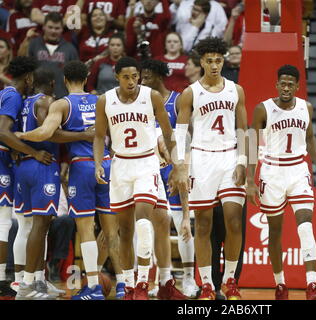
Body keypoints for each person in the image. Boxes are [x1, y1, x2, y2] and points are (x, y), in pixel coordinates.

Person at [16, 61, 124, 300]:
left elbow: (45, 133)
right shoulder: (102, 101)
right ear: (86, 78)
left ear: (65, 80)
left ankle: (94, 287)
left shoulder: (62, 104)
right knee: (111, 231)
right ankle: (124, 284)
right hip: (106, 163)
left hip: (82, 166)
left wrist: (21, 135)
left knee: (85, 229)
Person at [93, 56, 189, 300]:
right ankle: (128, 285)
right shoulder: (105, 100)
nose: (131, 81)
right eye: (126, 76)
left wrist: (177, 165)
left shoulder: (151, 96)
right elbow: (98, 136)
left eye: (135, 76)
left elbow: (168, 133)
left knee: (147, 221)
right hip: (120, 166)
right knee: (125, 231)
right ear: (117, 77)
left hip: (147, 163)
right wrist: (97, 163)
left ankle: (144, 284)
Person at [247, 64, 316, 300]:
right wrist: (250, 180)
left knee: (305, 226)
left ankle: (312, 286)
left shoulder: (306, 107)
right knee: (275, 231)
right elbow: (252, 142)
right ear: (276, 85)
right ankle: (280, 283)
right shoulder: (263, 108)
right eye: (282, 83)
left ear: (297, 86)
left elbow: (311, 138)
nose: (285, 87)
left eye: (290, 84)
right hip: (271, 172)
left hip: (298, 171)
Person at [176, 37, 247, 300]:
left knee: (233, 221)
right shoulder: (190, 92)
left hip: (229, 157)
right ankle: (206, 284)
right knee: (203, 225)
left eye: (218, 60)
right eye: (209, 61)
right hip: (201, 158)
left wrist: (243, 162)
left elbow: (244, 129)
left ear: (223, 60)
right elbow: (180, 131)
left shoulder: (236, 89)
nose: (215, 65)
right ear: (201, 62)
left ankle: (230, 282)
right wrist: (180, 165)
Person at [139, 58, 197, 298]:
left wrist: (179, 167)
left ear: (157, 75)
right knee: (152, 227)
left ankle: (190, 279)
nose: (141, 81)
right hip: (148, 168)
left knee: (181, 224)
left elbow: (188, 137)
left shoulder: (177, 100)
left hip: (173, 167)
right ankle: (158, 279)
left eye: (145, 77)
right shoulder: (142, 103)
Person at [0, 56, 51, 300]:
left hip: (14, 162)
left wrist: (16, 149)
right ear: (29, 77)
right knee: (13, 224)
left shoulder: (13, 95)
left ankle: (24, 281)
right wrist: (31, 151)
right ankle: (15, 281)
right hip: (10, 163)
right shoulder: (13, 96)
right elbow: (2, 131)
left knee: (23, 224)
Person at [18, 12, 79, 99]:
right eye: (50, 27)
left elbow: (75, 77)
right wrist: (26, 40)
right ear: (44, 27)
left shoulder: (70, 48)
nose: (53, 31)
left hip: (62, 98)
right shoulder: (33, 44)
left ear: (62, 29)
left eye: (57, 28)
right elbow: (22, 63)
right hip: (36, 96)